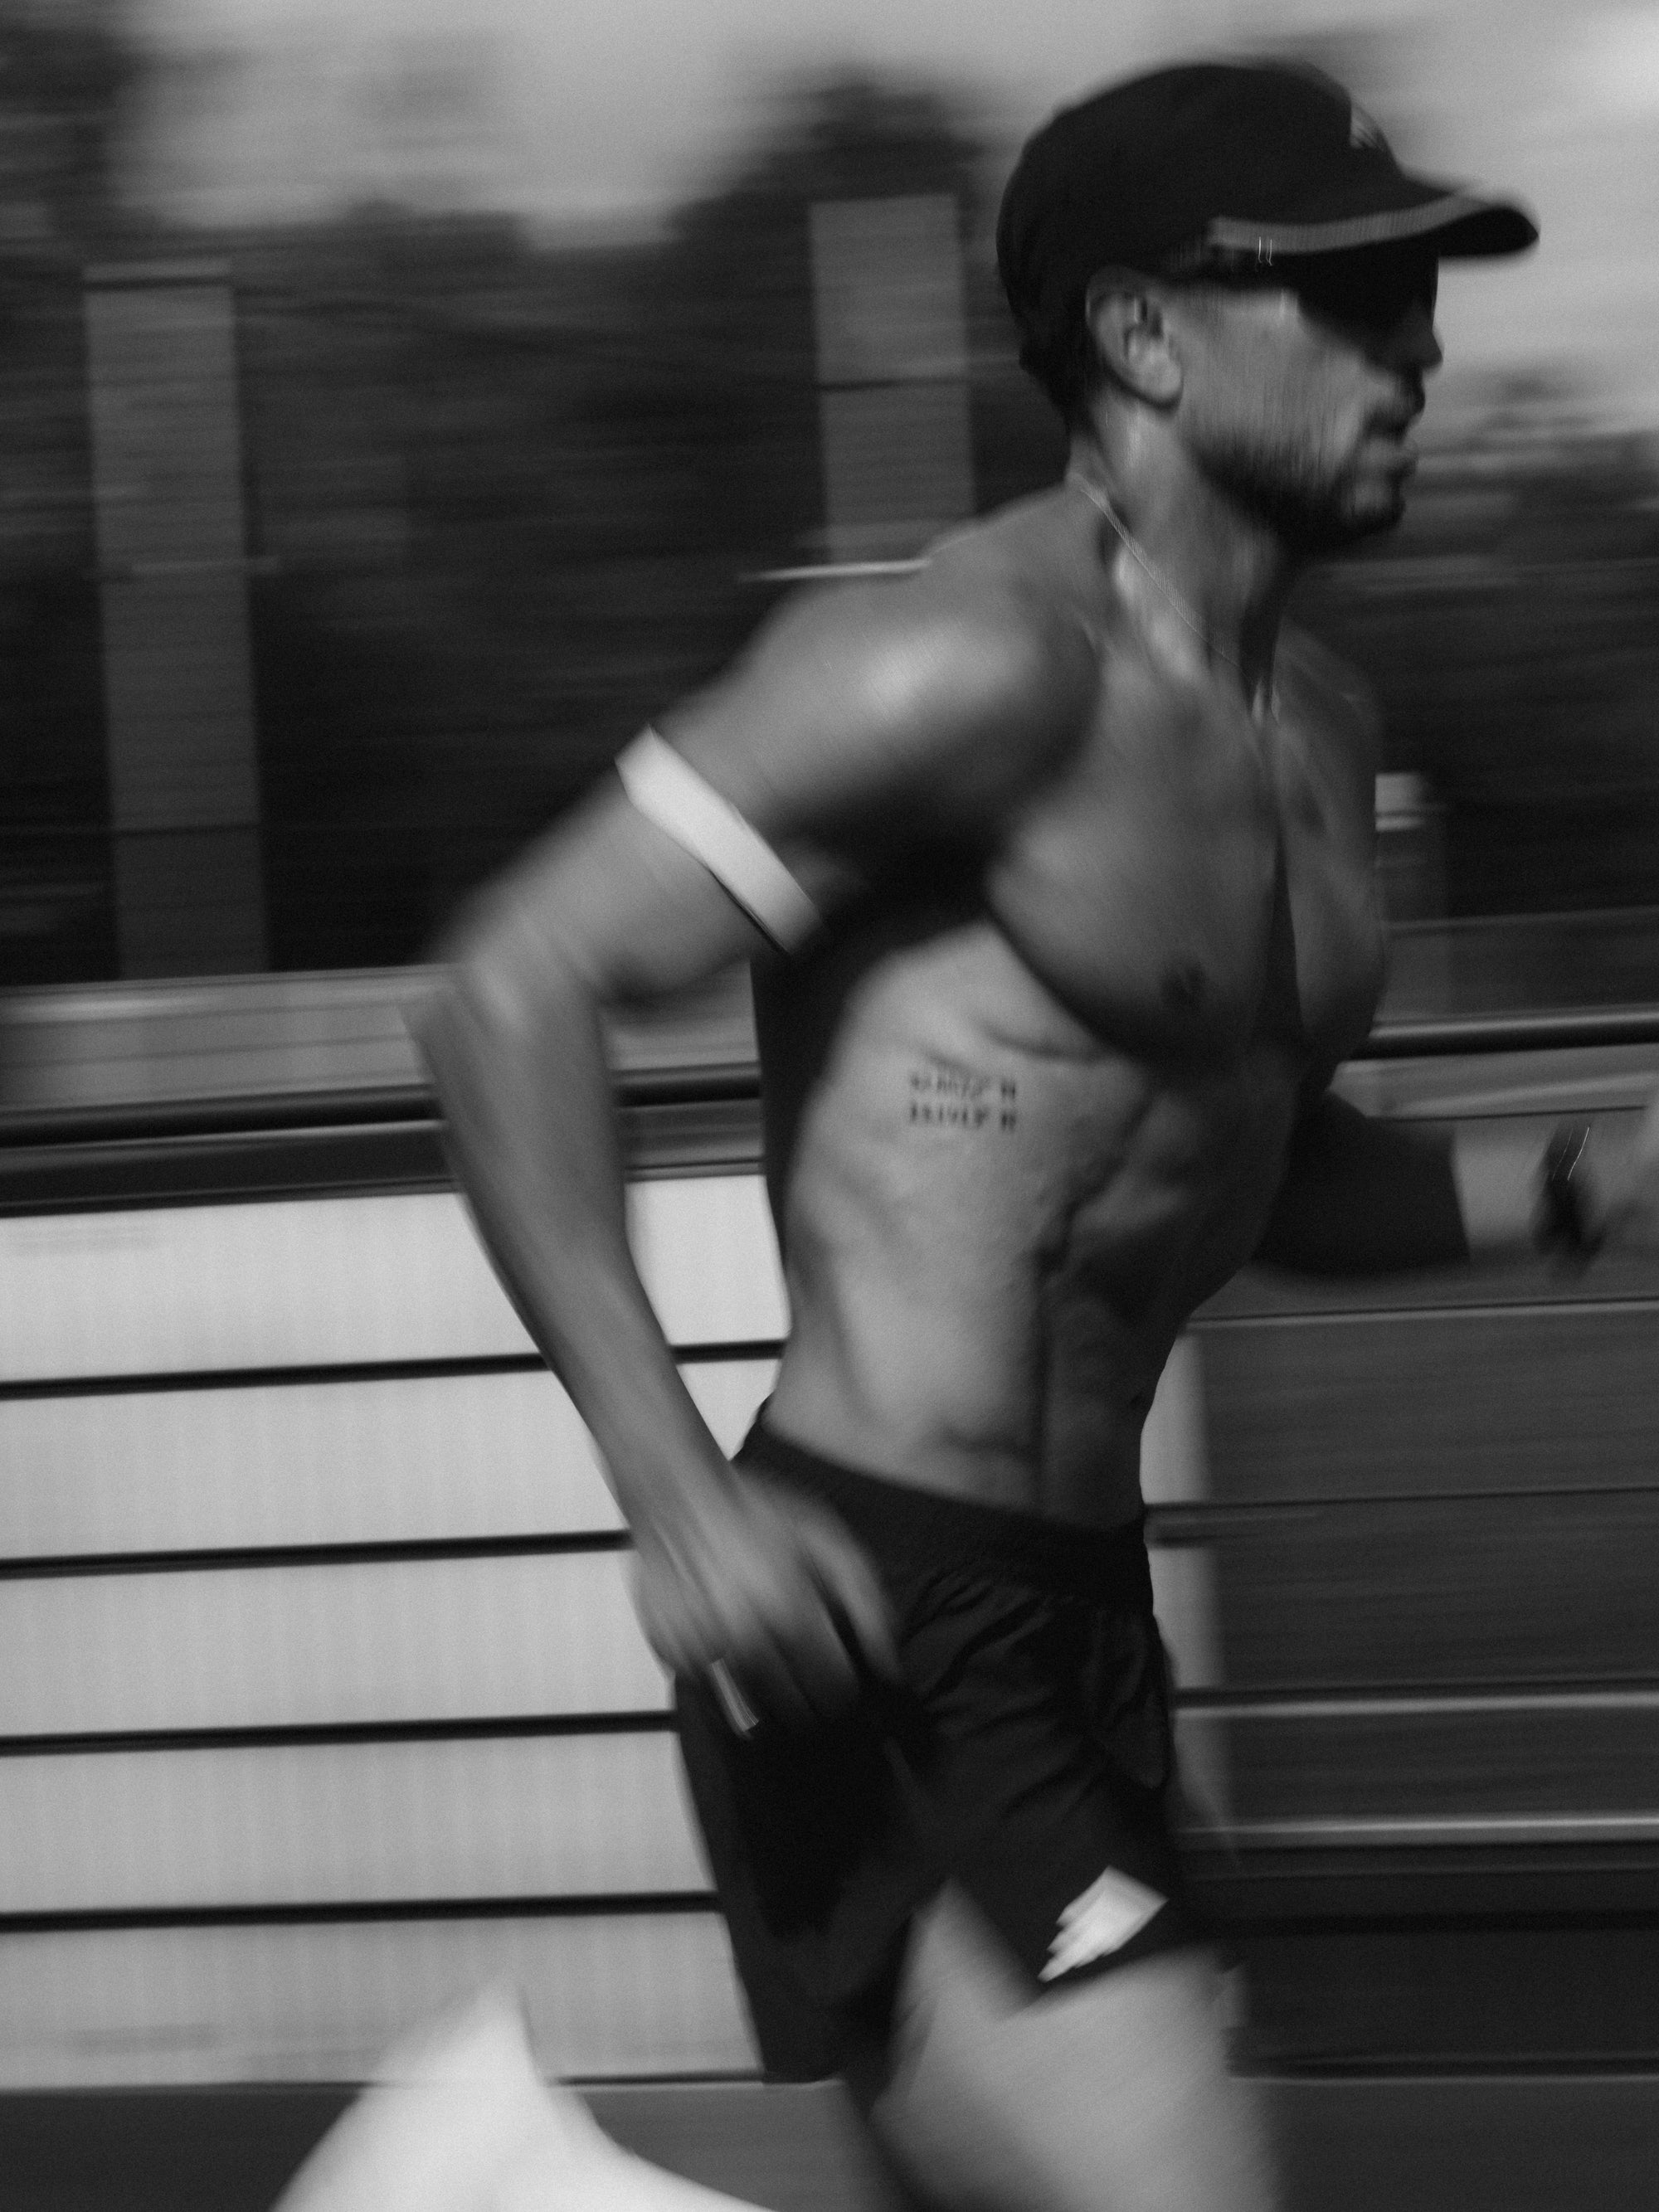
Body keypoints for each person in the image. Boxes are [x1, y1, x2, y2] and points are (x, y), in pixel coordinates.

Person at [288, 59, 1659, 2212]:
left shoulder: (1318, 729)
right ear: (1138, 337)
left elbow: (1267, 1167)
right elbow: (511, 986)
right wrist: (671, 1495)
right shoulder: (961, 662)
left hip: (1082, 1608)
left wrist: (1603, 1176)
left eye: (1420, 297)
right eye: (1352, 300)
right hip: (867, 1602)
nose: (1420, 352)